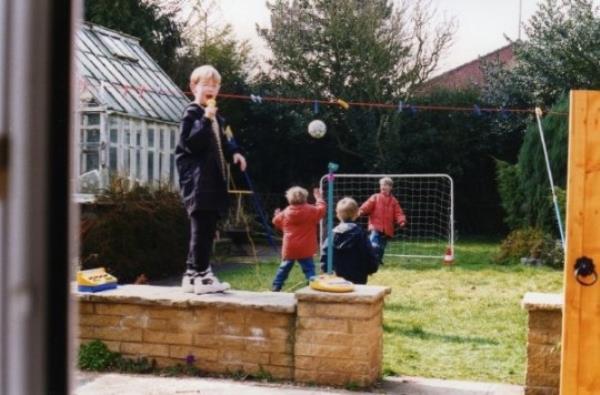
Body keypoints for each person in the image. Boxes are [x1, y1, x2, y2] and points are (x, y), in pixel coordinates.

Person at [177, 65, 247, 294]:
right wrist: (206, 119)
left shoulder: (220, 118)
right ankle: (202, 274)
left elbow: (227, 139)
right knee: (201, 229)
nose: (212, 89)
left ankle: (191, 274)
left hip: (214, 182)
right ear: (193, 87)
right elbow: (191, 143)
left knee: (208, 228)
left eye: (216, 85)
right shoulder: (193, 113)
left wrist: (235, 153)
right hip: (197, 182)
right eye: (206, 84)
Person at [271, 186, 326, 292]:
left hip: (290, 247)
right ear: (305, 197)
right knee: (309, 269)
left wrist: (278, 215)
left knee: (284, 268)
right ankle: (312, 285)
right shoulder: (311, 210)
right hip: (306, 247)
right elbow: (322, 209)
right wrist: (318, 198)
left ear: (289, 199)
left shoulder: (286, 212)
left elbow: (275, 221)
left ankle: (276, 286)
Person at [320, 197, 378, 284]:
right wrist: (371, 268)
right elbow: (368, 253)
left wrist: (325, 269)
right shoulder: (360, 234)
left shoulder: (332, 234)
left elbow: (325, 252)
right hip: (358, 277)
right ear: (356, 214)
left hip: (337, 277)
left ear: (338, 215)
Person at [359, 177, 407, 264]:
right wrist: (361, 211)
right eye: (381, 185)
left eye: (385, 185)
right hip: (375, 226)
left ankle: (378, 260)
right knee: (373, 243)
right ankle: (370, 259)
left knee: (382, 246)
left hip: (387, 229)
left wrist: (401, 220)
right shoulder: (375, 197)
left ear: (390, 187)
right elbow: (367, 205)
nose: (383, 187)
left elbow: (398, 212)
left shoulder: (394, 201)